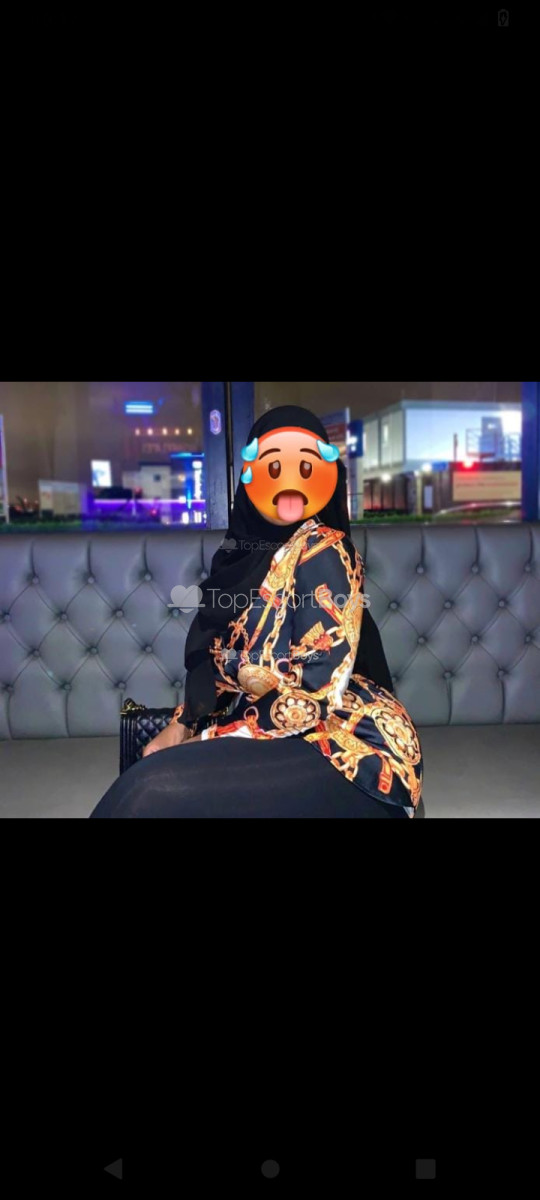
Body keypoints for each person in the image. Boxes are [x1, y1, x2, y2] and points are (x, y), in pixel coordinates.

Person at [89, 406, 423, 819]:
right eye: (274, 466)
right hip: (267, 734)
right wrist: (181, 725)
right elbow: (223, 668)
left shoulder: (324, 549)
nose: (289, 482)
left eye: (305, 466)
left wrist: (208, 738)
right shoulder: (239, 560)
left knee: (149, 791)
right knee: (143, 784)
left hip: (348, 749)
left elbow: (315, 692)